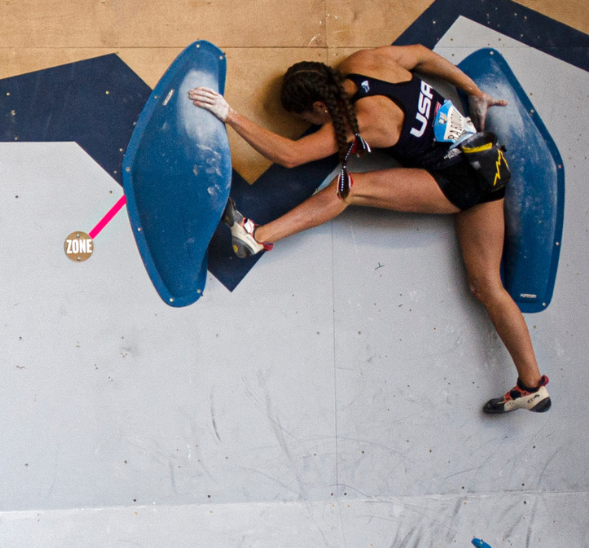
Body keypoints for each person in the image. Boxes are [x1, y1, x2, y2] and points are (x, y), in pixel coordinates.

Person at [191, 45, 549, 414]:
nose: (317, 127)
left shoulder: (363, 121)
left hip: (458, 182)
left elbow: (291, 155)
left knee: (348, 187)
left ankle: (258, 236)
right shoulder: (365, 62)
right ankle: (531, 384)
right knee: (487, 287)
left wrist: (229, 115)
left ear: (318, 107)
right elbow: (423, 55)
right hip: (488, 164)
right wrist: (473, 90)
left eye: (310, 120)